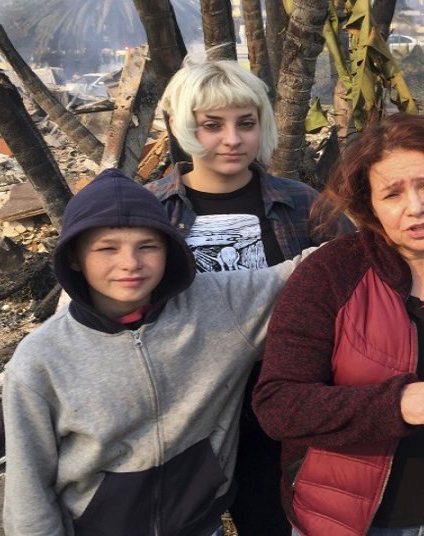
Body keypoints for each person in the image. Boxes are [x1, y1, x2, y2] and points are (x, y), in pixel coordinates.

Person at [252, 113, 424, 536]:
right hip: (346, 522)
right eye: (392, 194)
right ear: (370, 206)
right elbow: (278, 406)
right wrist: (399, 403)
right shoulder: (330, 273)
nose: (416, 208)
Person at [2, 168, 311, 535]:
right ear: (74, 257)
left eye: (147, 246)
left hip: (201, 525)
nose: (130, 263)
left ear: (169, 249)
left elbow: (304, 273)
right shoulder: (41, 360)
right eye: (107, 248)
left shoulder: (219, 305)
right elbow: (27, 491)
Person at [146, 57, 352, 535]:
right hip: (188, 407)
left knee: (274, 521)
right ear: (184, 127)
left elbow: (350, 289)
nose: (232, 140)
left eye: (247, 123)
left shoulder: (302, 202)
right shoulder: (152, 211)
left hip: (276, 404)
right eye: (212, 125)